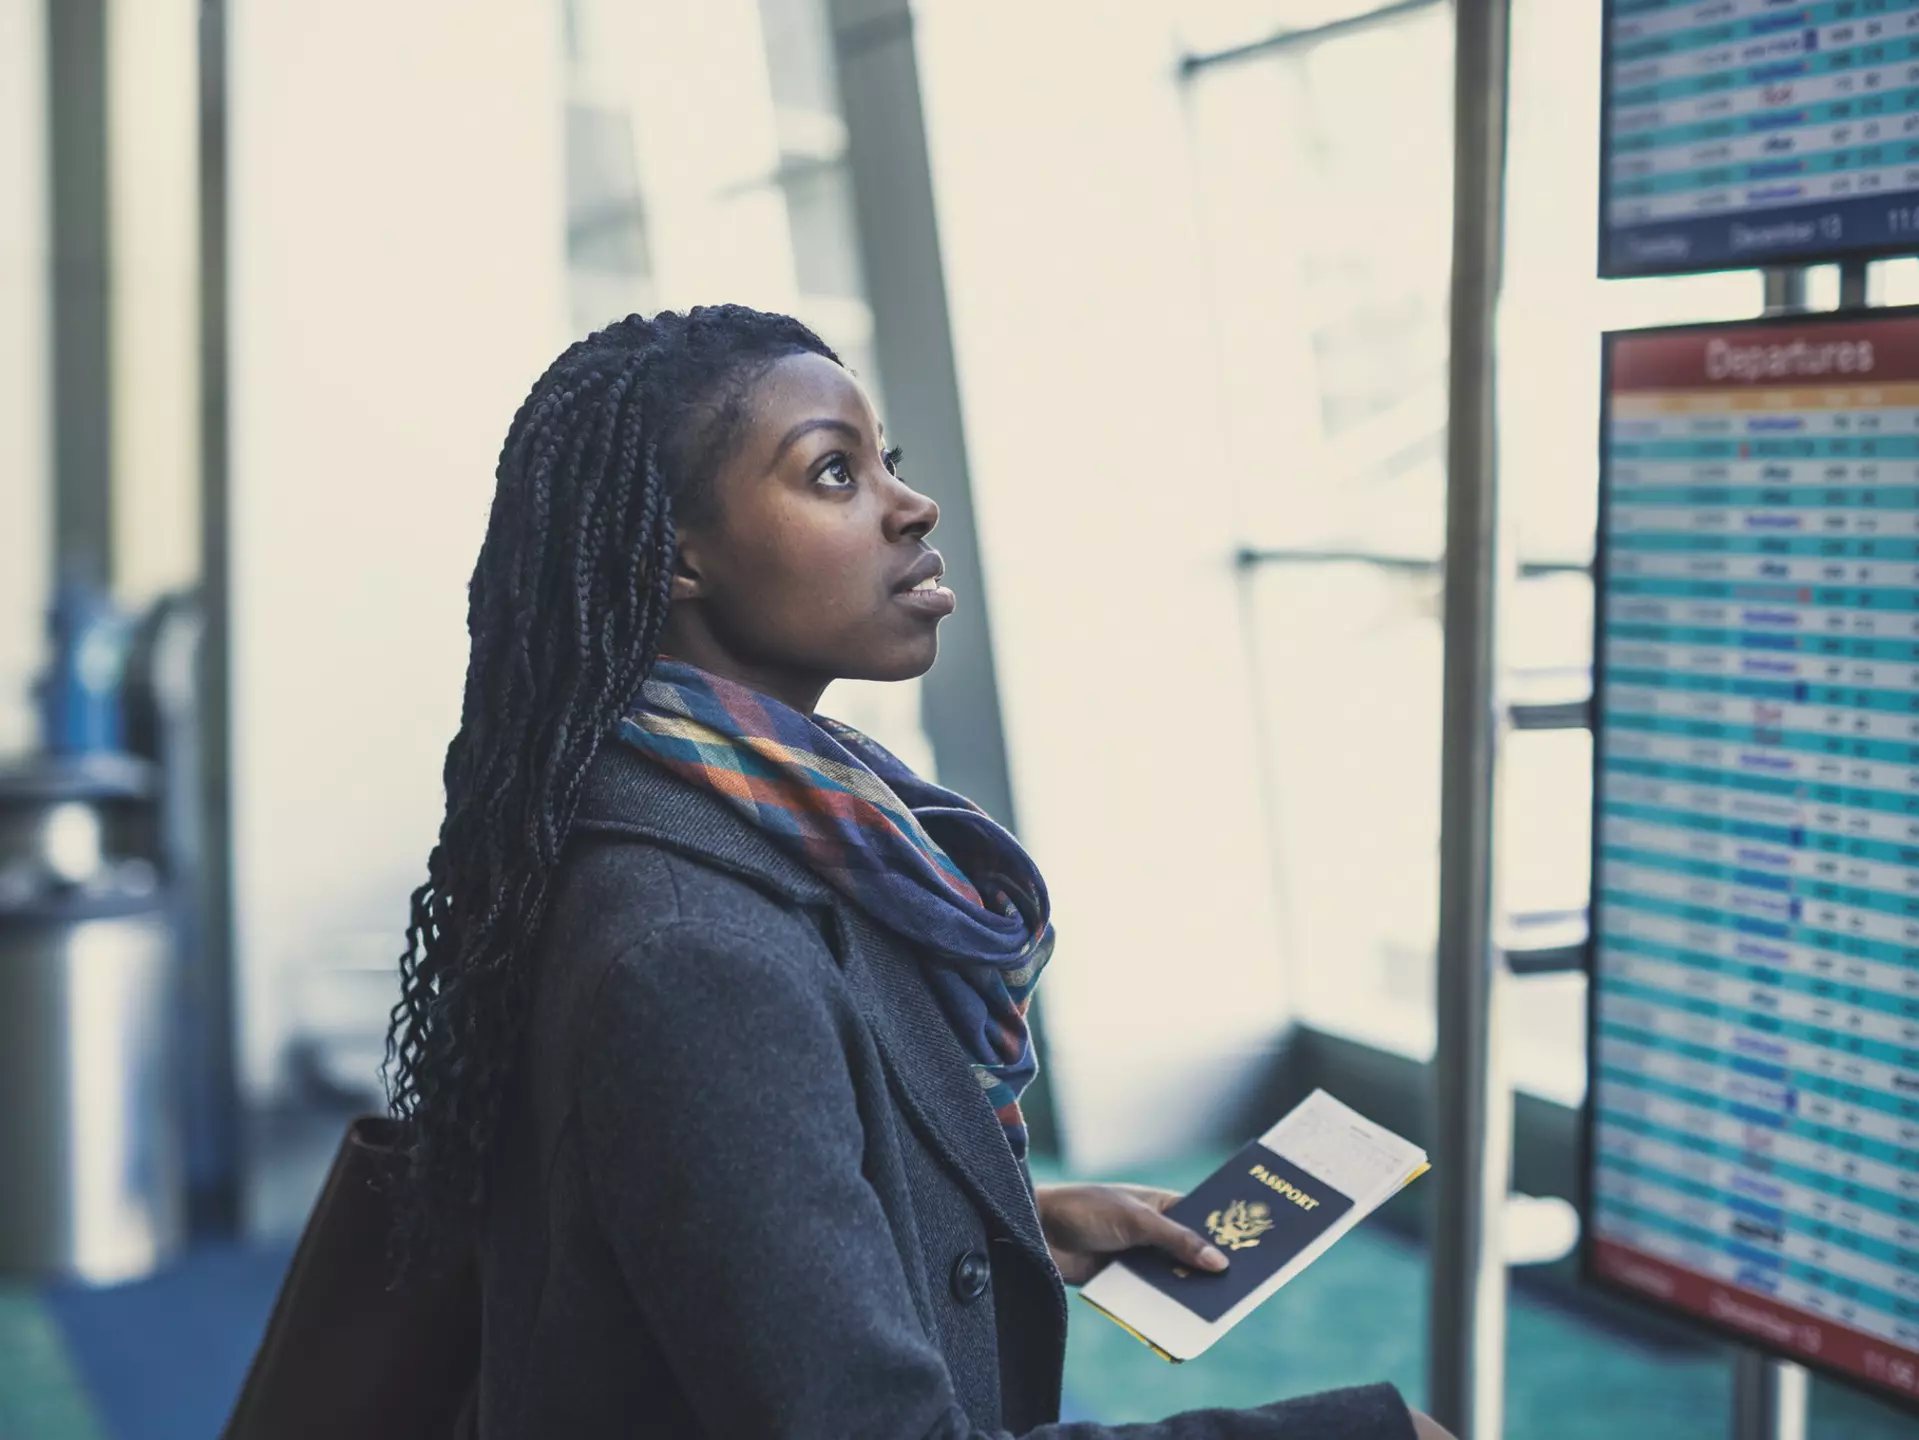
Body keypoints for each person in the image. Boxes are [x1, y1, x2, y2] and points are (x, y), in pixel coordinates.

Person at [386, 305, 1456, 1439]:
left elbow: (690, 1222)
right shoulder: (695, 952)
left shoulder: (729, 818)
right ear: (675, 554)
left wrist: (995, 1222)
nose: (911, 505)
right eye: (833, 473)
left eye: (883, 461)